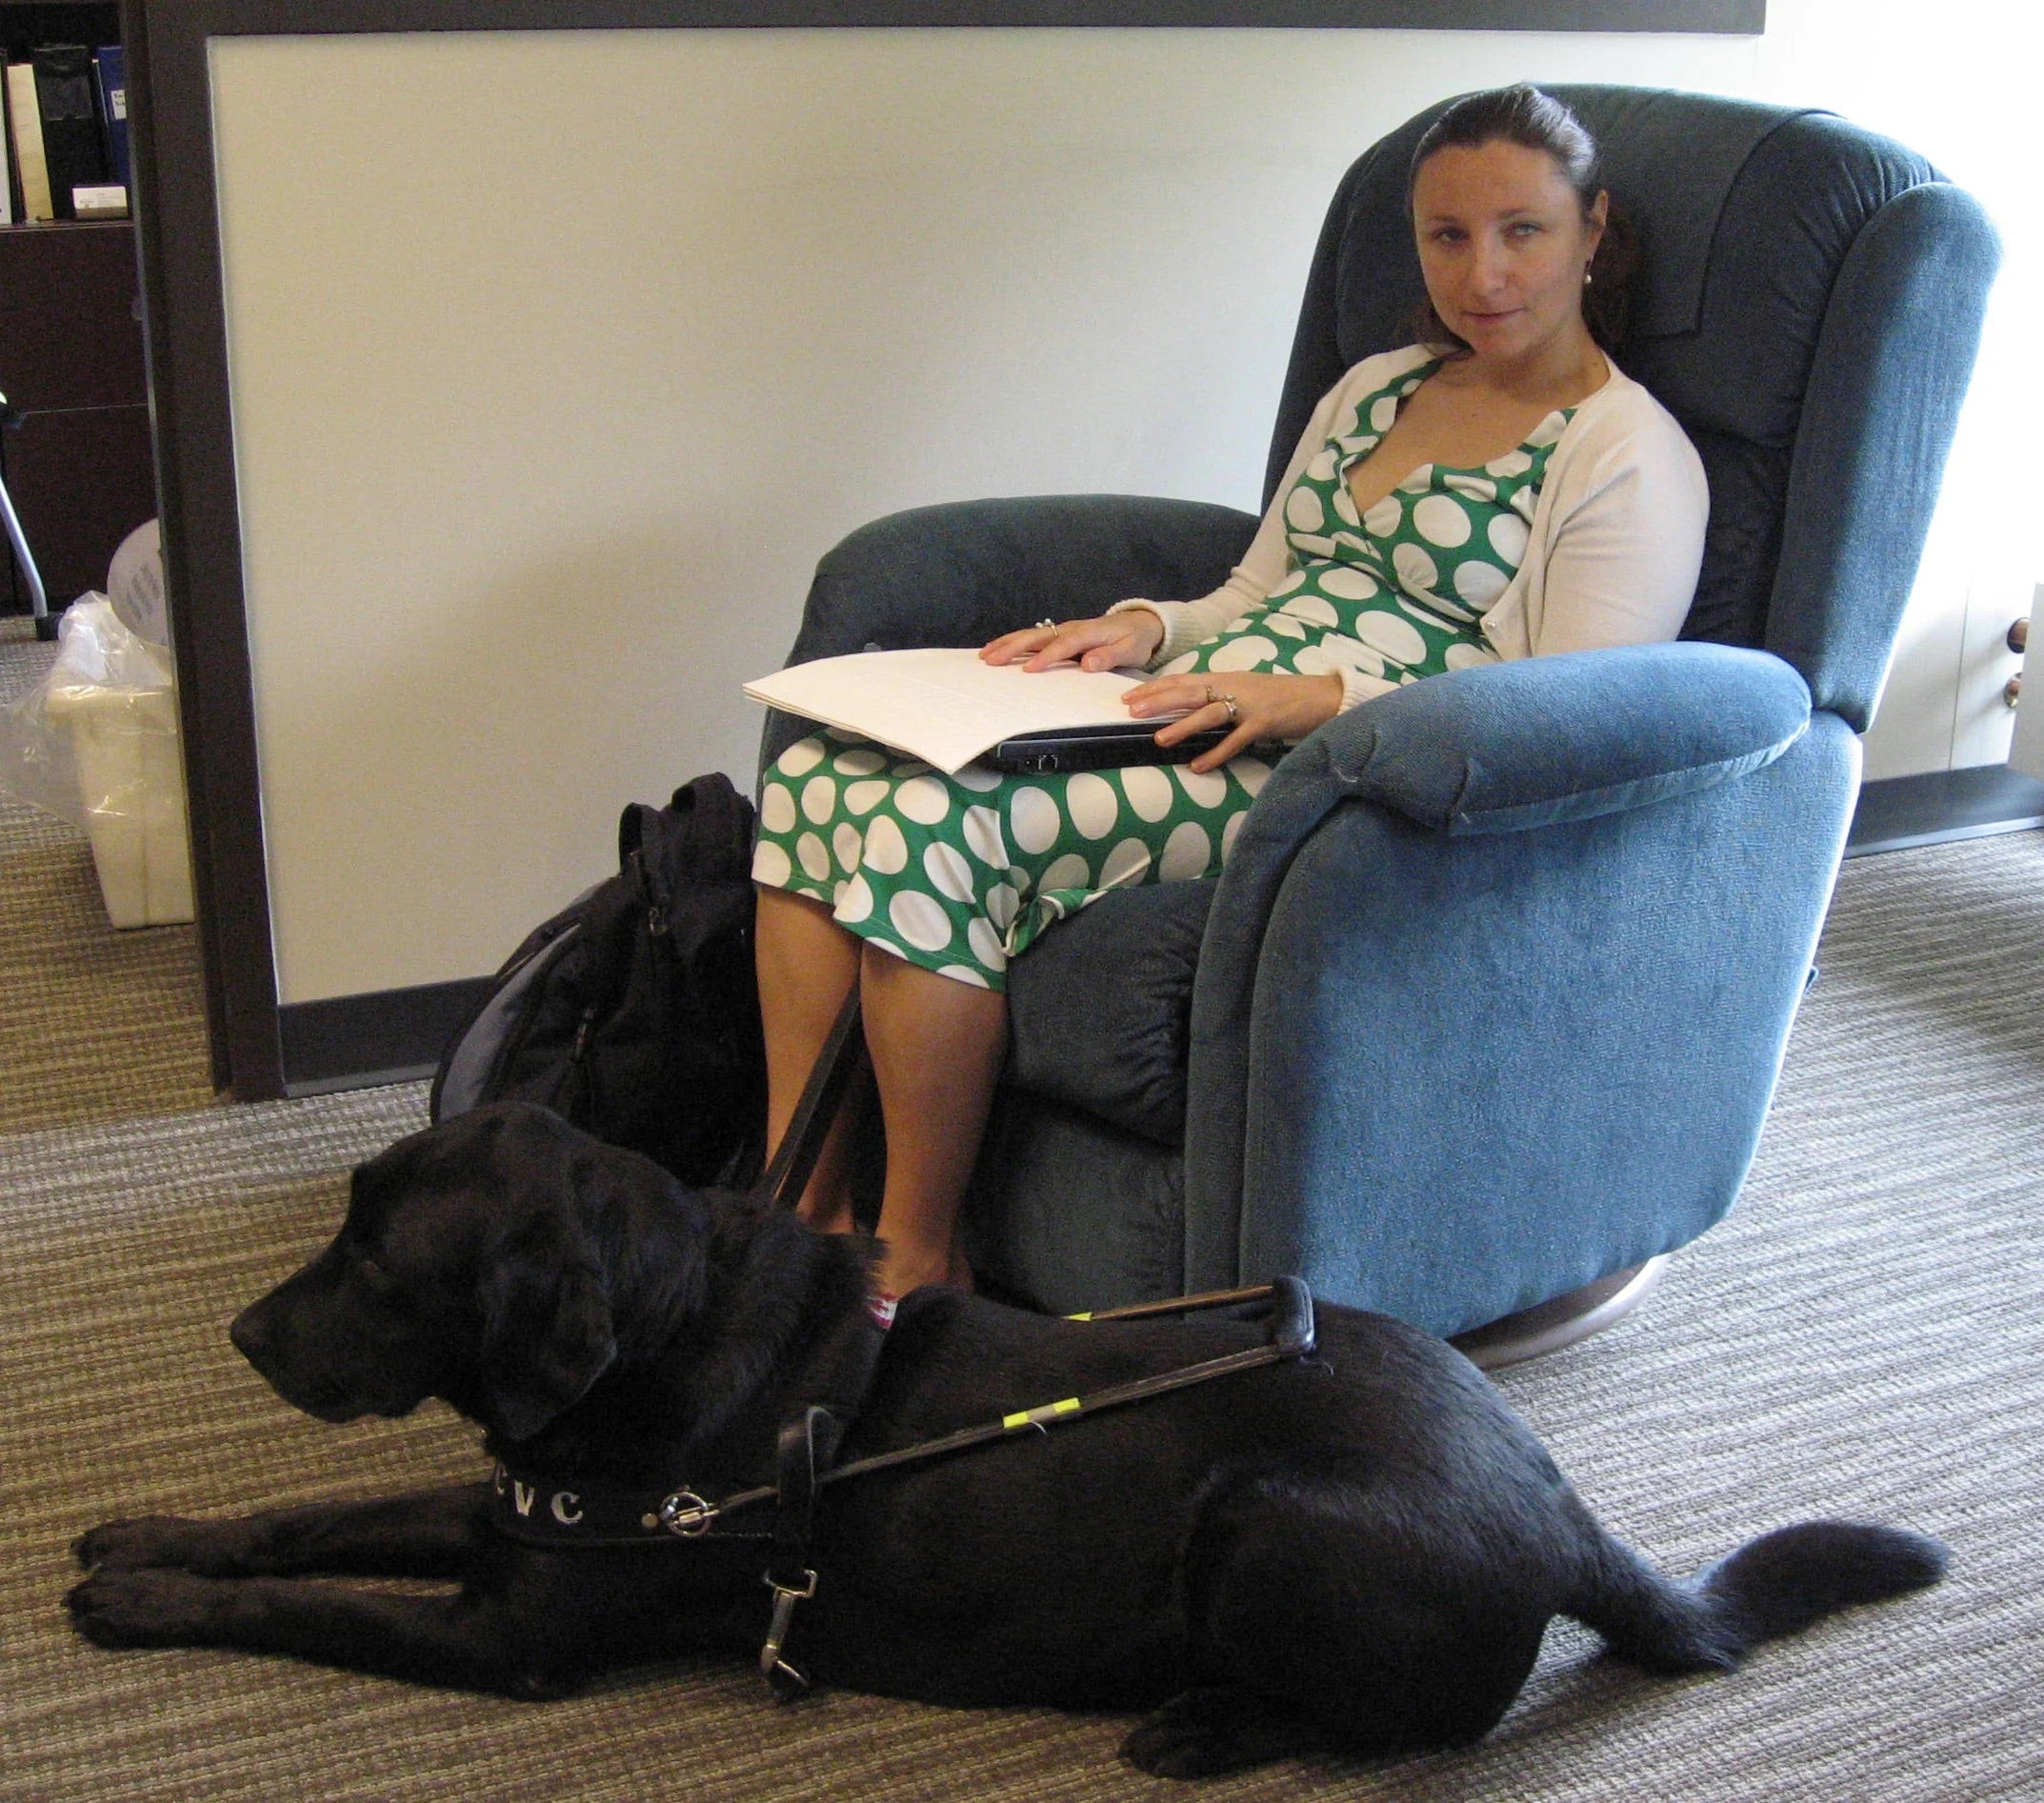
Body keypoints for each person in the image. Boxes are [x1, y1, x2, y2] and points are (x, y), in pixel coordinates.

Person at [751, 83, 1708, 1312]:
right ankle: (796, 1218)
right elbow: (1255, 583)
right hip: (1200, 708)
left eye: (1523, 230)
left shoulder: (1625, 451)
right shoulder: (1376, 388)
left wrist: (1317, 697)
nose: (1484, 274)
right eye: (1447, 236)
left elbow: (1562, 722)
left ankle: (918, 1257)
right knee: (821, 776)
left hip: (1334, 778)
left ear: (1593, 229)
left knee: (935, 824)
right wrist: (1140, 628)